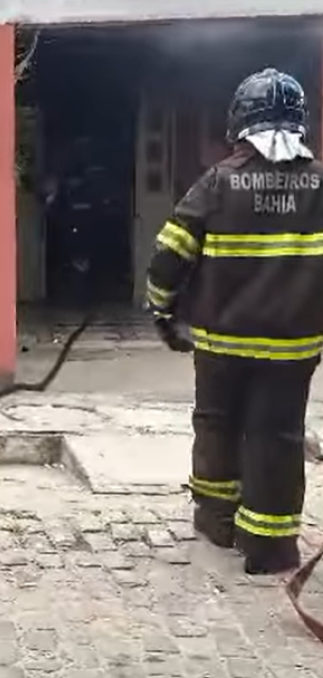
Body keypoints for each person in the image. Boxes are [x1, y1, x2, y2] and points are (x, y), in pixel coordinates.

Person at [146, 67, 323, 575]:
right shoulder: (318, 184)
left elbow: (169, 255)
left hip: (223, 343)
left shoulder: (220, 181)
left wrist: (162, 309)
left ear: (239, 122)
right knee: (278, 435)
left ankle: (218, 517)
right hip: (294, 348)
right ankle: (270, 547)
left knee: (218, 423)